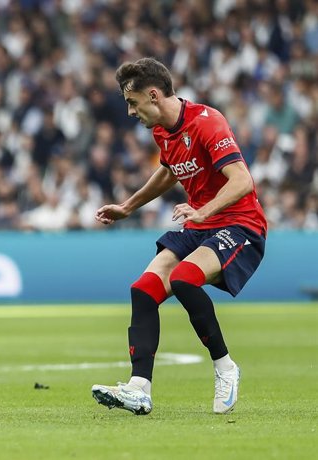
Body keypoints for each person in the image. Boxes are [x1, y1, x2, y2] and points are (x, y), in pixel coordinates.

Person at [91, 58, 267, 415]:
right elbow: (169, 172)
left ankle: (225, 368)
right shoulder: (163, 131)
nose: (129, 111)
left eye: (132, 102)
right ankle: (140, 388)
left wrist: (203, 210)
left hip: (239, 224)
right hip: (199, 226)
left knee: (185, 278)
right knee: (143, 291)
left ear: (153, 95)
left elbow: (242, 181)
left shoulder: (208, 122)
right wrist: (128, 206)